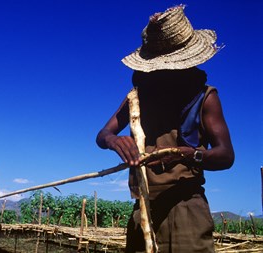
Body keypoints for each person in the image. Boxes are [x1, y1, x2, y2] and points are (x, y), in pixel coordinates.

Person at [96, 5, 234, 253]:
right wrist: (114, 141)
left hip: (186, 207)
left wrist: (188, 154)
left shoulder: (205, 97)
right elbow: (103, 135)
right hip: (144, 206)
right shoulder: (137, 98)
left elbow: (226, 155)